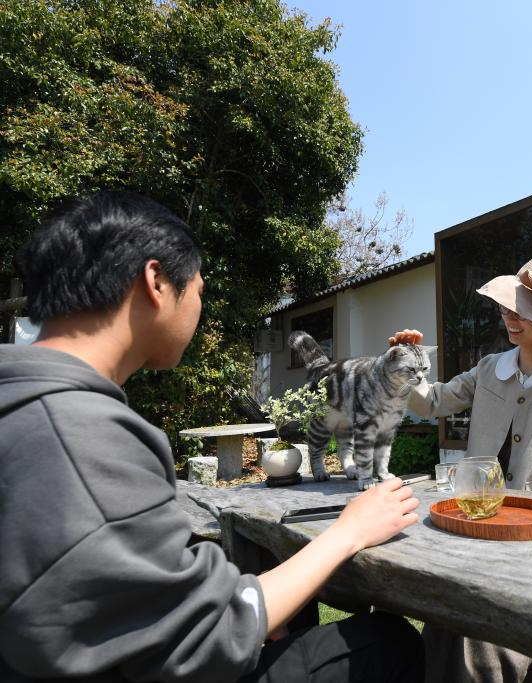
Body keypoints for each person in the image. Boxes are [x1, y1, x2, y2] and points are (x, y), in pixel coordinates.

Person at [0, 191, 424, 682]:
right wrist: (350, 531)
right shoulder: (82, 434)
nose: (198, 307)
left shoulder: (26, 400)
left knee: (297, 607)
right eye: (198, 289)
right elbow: (208, 634)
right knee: (389, 641)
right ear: (156, 283)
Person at [390, 251, 532, 683]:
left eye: (521, 310)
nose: (509, 317)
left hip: (528, 549)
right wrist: (401, 365)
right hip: (468, 530)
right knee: (443, 624)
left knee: (479, 644)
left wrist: (517, 522)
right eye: (506, 307)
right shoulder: (489, 369)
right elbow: (433, 402)